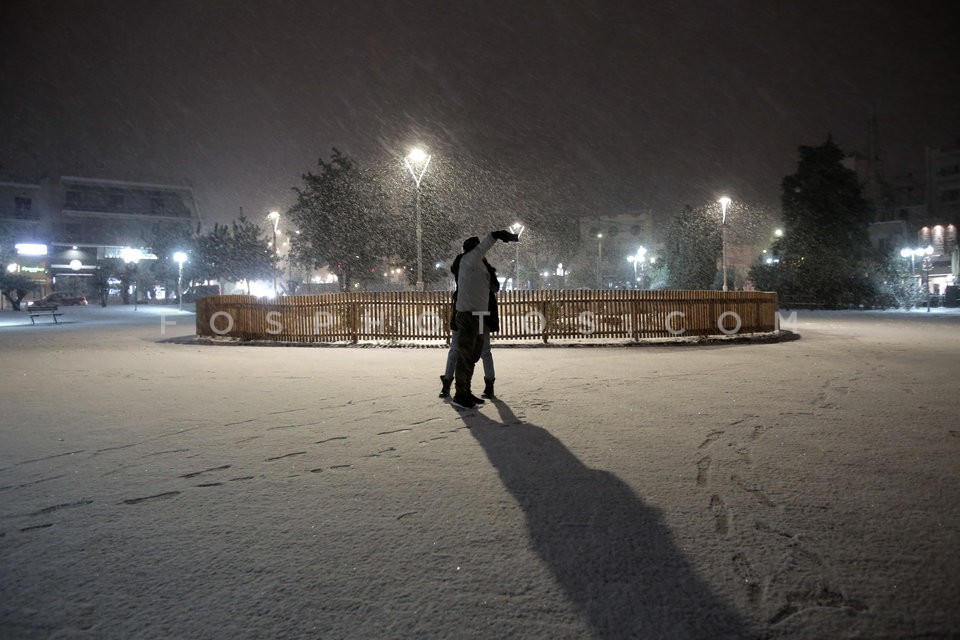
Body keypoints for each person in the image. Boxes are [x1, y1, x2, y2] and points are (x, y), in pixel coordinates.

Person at [447, 229, 519, 408]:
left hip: (480, 315)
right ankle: (460, 394)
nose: (480, 250)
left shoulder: (480, 266)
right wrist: (496, 236)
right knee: (464, 354)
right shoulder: (468, 260)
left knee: (473, 354)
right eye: (477, 248)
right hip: (468, 315)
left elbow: (493, 287)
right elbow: (483, 248)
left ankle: (467, 390)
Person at [439, 239, 500, 400]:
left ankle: (451, 385)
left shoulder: (472, 263)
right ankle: (483, 386)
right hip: (473, 313)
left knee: (463, 350)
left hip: (473, 313)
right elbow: (494, 287)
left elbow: (494, 286)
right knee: (475, 350)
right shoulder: (468, 262)